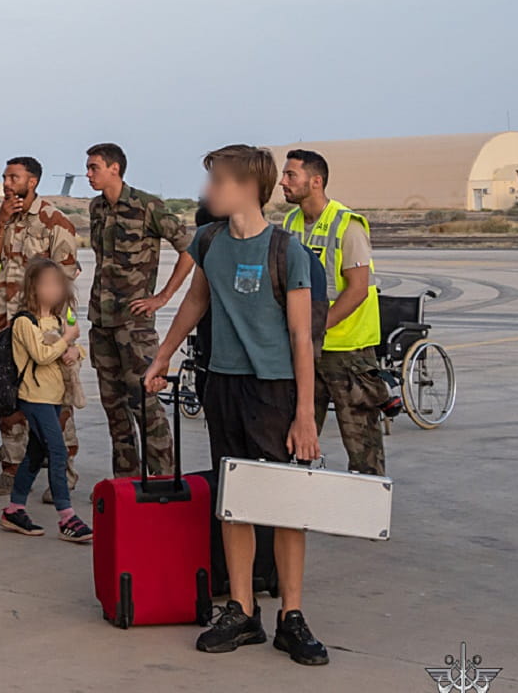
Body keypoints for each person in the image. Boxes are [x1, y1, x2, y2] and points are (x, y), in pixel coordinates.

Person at [146, 144, 326, 666]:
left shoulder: (287, 251)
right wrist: (162, 357)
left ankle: (291, 616)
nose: (208, 192)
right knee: (235, 499)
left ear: (247, 187)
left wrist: (306, 413)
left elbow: (300, 337)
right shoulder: (210, 241)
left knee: (285, 504)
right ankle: (241, 610)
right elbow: (197, 300)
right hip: (222, 384)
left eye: (217, 181)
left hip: (274, 391)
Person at [84, 142, 194, 478]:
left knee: (145, 405)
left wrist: (162, 296)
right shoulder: (96, 208)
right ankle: (127, 484)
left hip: (134, 325)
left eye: (94, 167)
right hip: (101, 321)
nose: (88, 174)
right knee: (114, 409)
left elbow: (189, 250)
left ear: (114, 168)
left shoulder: (148, 206)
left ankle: (162, 482)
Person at [0, 155, 81, 498]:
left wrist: (63, 335)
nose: (7, 183)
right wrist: (1, 221)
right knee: (9, 396)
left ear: (32, 182)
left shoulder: (55, 221)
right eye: (5, 177)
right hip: (8, 325)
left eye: (14, 177)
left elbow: (65, 280)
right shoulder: (2, 218)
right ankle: (12, 467)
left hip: (45, 326)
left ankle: (62, 473)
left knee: (54, 399)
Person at [280, 149, 387, 476]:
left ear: (316, 181)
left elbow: (357, 289)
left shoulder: (348, 224)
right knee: (296, 437)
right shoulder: (289, 222)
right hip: (307, 350)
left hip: (347, 353)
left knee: (362, 444)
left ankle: (369, 513)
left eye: (290, 175)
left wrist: (317, 326)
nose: (282, 182)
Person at [0, 258, 93, 544]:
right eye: (46, 284)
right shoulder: (25, 322)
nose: (53, 289)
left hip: (54, 396)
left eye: (57, 284)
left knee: (35, 454)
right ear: (33, 288)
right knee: (58, 451)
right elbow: (42, 355)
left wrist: (77, 351)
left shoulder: (60, 320)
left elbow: (71, 349)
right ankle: (67, 516)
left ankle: (14, 509)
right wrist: (67, 340)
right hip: (34, 397)